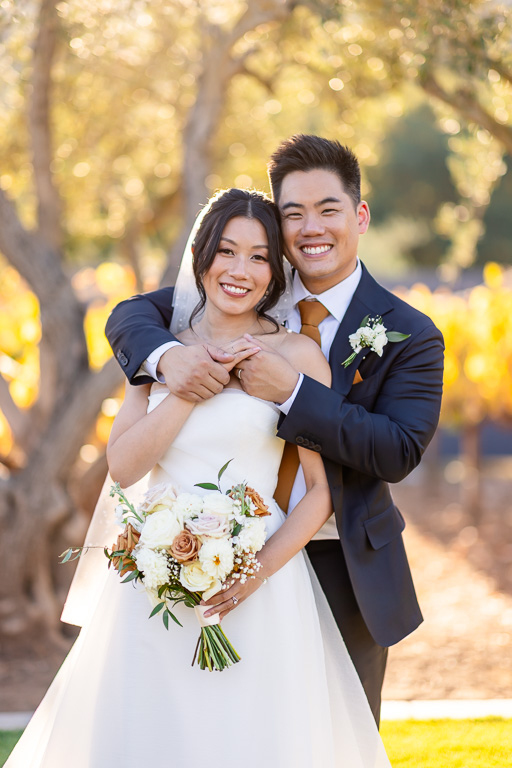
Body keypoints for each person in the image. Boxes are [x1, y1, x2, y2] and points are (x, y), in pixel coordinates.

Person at [5, 188, 391, 768]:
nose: (240, 270)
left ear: (275, 271)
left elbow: (319, 494)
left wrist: (253, 574)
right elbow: (125, 465)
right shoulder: (160, 351)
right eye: (227, 251)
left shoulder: (298, 355)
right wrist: (188, 386)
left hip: (257, 583)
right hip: (150, 583)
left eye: (259, 257)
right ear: (202, 257)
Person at [105, 135, 445, 725]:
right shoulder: (243, 284)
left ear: (359, 216)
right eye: (294, 213)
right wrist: (167, 362)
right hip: (200, 548)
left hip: (340, 559)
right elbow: (128, 315)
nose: (311, 227)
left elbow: (396, 451)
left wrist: (289, 391)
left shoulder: (409, 333)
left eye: (328, 210)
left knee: (332, 736)